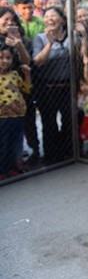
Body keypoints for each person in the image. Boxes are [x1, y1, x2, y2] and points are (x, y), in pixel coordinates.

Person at [32, 6, 78, 165]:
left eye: (54, 15)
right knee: (49, 122)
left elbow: (79, 56)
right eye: (47, 16)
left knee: (69, 121)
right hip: (47, 88)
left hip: (67, 86)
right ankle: (51, 156)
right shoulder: (40, 38)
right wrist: (49, 44)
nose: (50, 18)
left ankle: (68, 153)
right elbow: (37, 62)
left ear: (63, 19)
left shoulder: (72, 36)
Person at [0, 43, 30, 179]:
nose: (5, 61)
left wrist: (27, 75)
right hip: (2, 116)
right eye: (1, 58)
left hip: (18, 114)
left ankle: (15, 166)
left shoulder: (14, 74)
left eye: (8, 58)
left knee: (17, 141)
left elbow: (26, 89)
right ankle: (2, 170)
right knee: (3, 142)